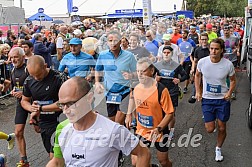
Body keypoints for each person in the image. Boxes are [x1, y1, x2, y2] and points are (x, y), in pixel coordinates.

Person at [46, 77, 151, 167]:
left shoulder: (112, 130)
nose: (65, 111)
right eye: (61, 105)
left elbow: (143, 153)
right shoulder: (63, 130)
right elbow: (57, 162)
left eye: (71, 104)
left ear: (89, 98)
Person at [126, 57, 174, 167]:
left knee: (164, 162)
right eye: (138, 71)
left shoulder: (161, 90)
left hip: (159, 131)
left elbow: (169, 113)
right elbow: (132, 98)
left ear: (151, 71)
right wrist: (129, 114)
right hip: (141, 130)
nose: (139, 74)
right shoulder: (135, 87)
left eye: (143, 71)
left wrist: (158, 129)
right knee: (135, 162)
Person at [195, 38, 236, 162]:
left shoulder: (228, 64)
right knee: (210, 129)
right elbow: (197, 76)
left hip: (222, 99)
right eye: (211, 48)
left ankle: (218, 148)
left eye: (216, 49)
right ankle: (213, 123)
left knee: (222, 127)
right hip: (207, 99)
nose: (213, 51)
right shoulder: (202, 62)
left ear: (221, 50)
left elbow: (233, 80)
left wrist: (229, 92)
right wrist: (198, 91)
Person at [21, 56, 67, 158]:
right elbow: (24, 101)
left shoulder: (59, 77)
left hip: (60, 120)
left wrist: (41, 108)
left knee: (54, 156)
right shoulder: (29, 80)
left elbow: (64, 103)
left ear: (45, 66)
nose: (36, 78)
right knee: (52, 155)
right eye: (33, 75)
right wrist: (32, 109)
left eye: (38, 75)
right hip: (44, 123)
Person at [155, 46, 187, 139]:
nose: (166, 54)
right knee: (160, 112)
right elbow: (150, 76)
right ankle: (161, 129)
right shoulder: (158, 65)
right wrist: (155, 79)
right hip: (160, 91)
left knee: (171, 113)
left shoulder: (176, 65)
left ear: (172, 54)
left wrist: (179, 80)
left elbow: (185, 75)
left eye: (168, 53)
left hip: (172, 91)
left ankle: (171, 131)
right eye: (164, 52)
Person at [9, 47, 30, 167]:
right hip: (20, 104)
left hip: (33, 103)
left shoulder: (28, 68)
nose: (13, 60)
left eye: (15, 57)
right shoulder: (12, 71)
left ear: (23, 57)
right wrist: (14, 91)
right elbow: (15, 86)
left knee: (42, 131)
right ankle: (24, 161)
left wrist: (24, 94)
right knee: (18, 132)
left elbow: (37, 86)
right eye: (11, 57)